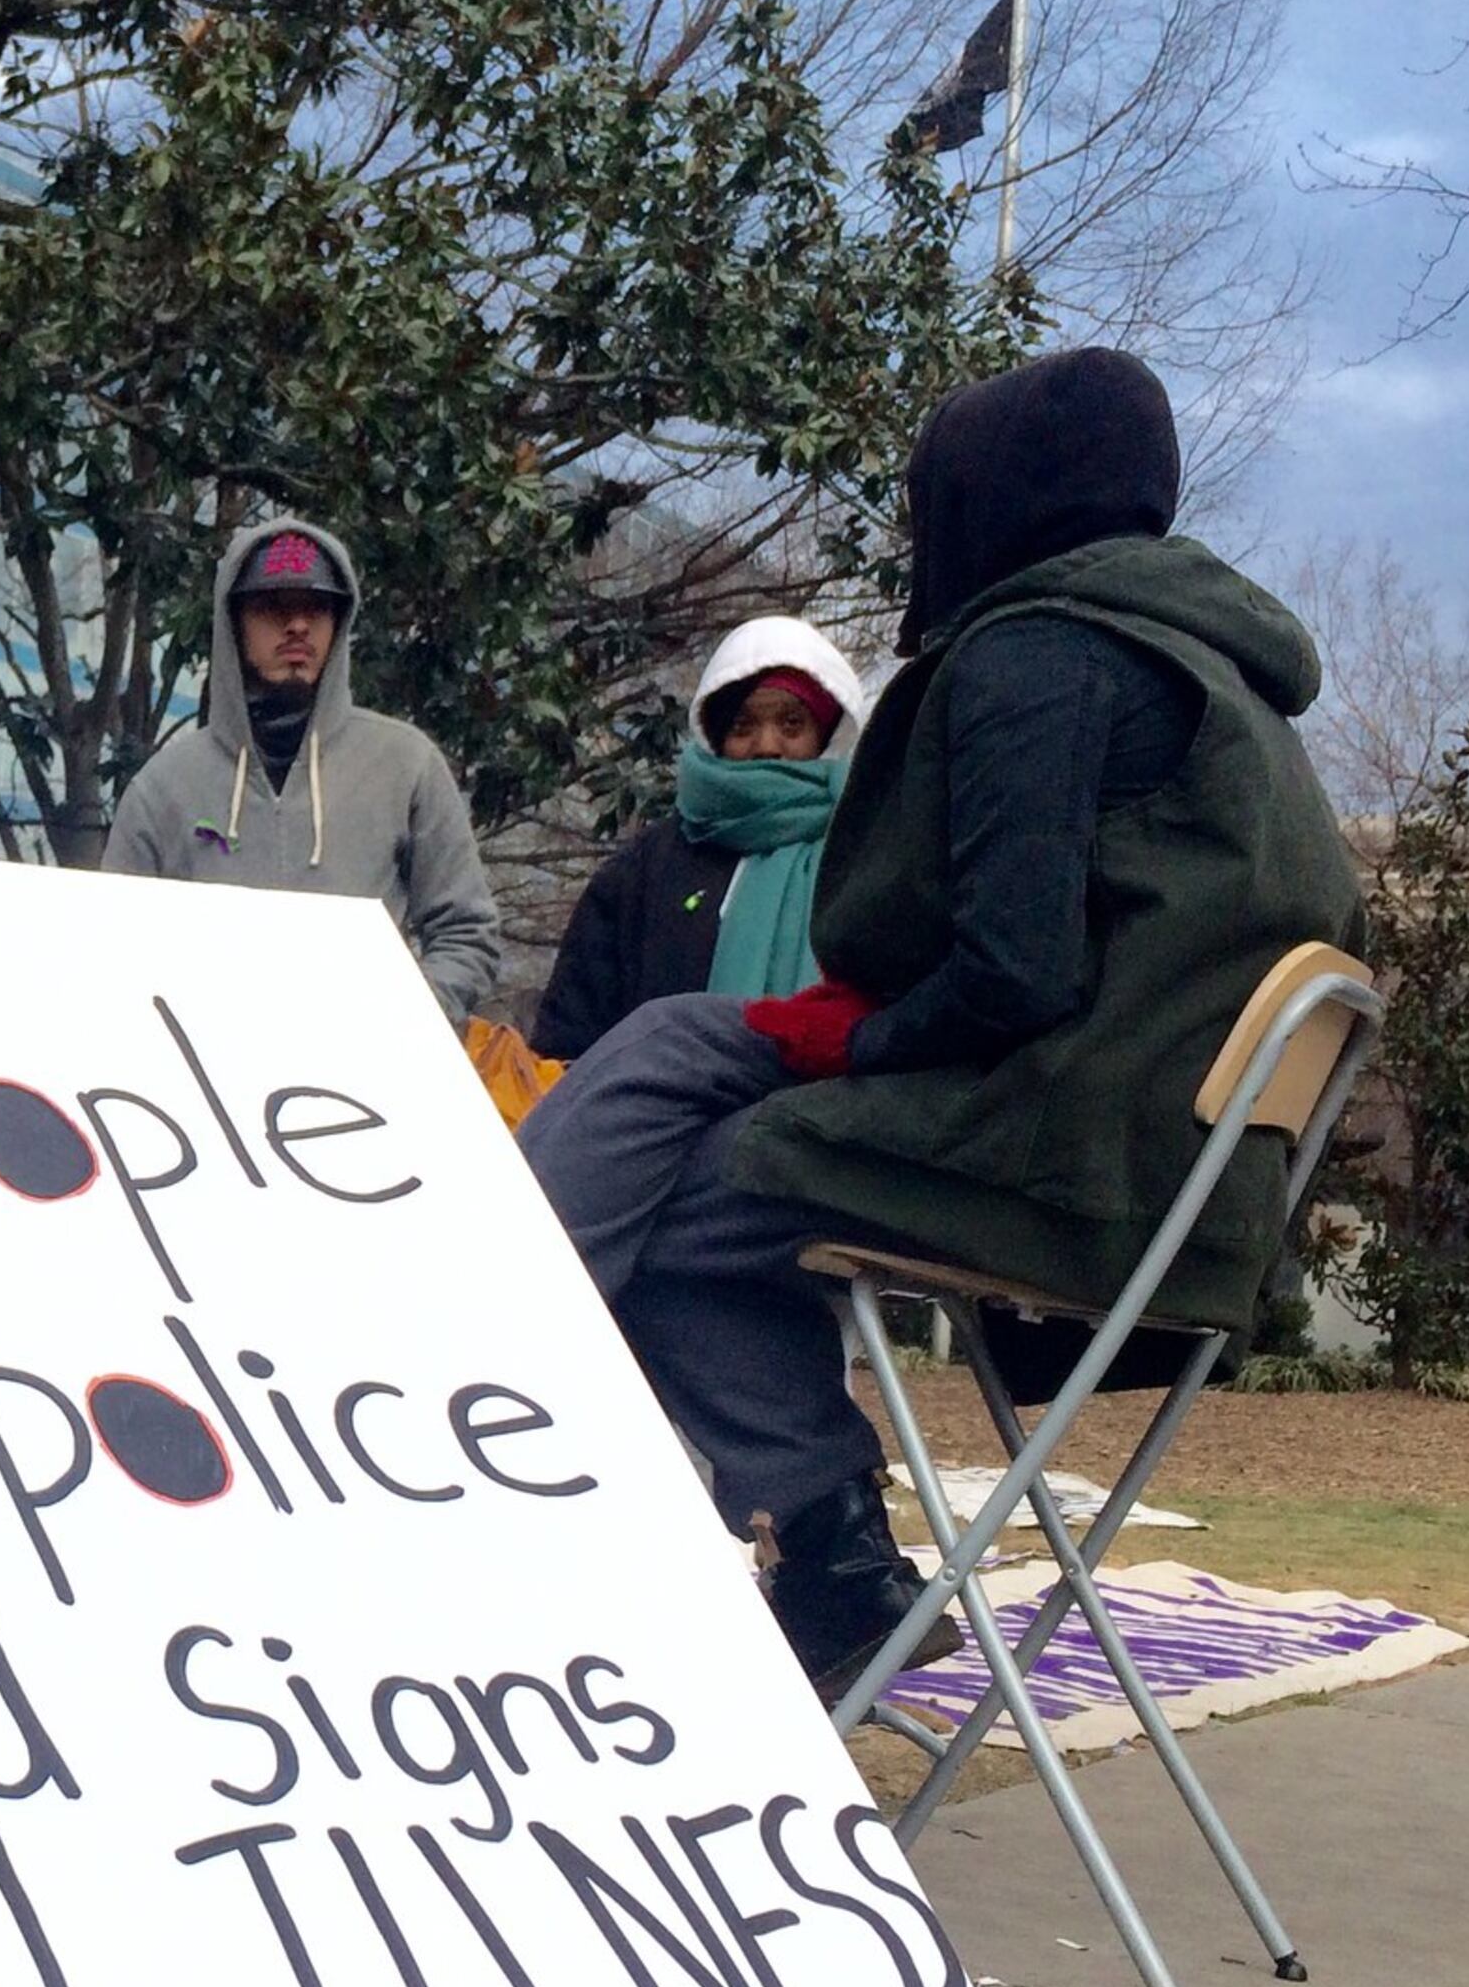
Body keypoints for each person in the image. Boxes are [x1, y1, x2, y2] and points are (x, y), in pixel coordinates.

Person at [516, 347, 1367, 1701]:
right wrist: (831, 1025)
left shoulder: (1043, 652)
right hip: (1164, 1165)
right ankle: (820, 1548)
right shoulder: (1217, 676)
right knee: (683, 1042)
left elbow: (1015, 972)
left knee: (683, 1189)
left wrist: (845, 1041)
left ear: (994, 493)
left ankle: (488, 1378)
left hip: (1074, 1151)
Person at [103, 518, 503, 1018]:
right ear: (234, 622)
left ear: (340, 620)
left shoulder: (405, 764)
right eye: (273, 607)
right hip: (198, 1074)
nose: (297, 625)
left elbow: (467, 931)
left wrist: (404, 1021)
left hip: (361, 1078)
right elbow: (111, 950)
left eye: (316, 607)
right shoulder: (164, 786)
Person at [531, 615, 869, 1059]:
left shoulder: (865, 850)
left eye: (791, 725)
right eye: (742, 727)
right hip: (663, 1116)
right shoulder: (648, 868)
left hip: (823, 1119)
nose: (767, 746)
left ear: (824, 736)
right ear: (715, 734)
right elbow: (572, 1035)